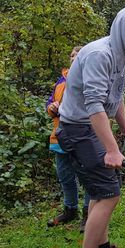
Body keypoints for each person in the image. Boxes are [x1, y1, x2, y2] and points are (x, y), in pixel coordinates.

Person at [57, 6, 125, 248]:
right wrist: (111, 149)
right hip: (78, 129)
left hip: (91, 128)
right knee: (108, 194)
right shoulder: (101, 54)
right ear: (122, 27)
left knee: (103, 189)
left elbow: (116, 95)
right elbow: (94, 105)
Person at [46, 46, 91, 231]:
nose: (74, 58)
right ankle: (70, 209)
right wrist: (52, 107)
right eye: (72, 55)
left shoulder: (89, 77)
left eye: (78, 55)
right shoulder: (61, 80)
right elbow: (50, 102)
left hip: (82, 136)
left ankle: (89, 213)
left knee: (88, 176)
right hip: (60, 137)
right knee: (65, 176)